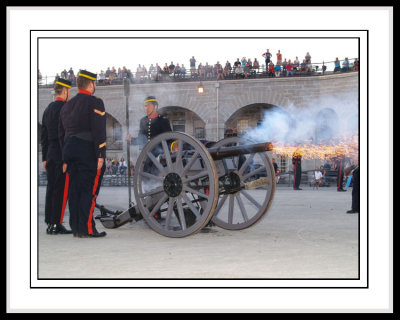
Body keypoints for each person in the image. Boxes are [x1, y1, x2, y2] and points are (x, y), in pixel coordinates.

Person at [59, 70, 107, 238]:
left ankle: (77, 228)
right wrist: (100, 154)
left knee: (74, 191)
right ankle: (87, 228)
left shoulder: (67, 105)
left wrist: (64, 157)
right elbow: (98, 130)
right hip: (88, 150)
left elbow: (63, 133)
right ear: (91, 84)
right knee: (89, 191)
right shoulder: (95, 102)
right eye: (95, 83)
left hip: (70, 150)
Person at [41, 79, 73, 235]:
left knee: (51, 189)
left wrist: (44, 158)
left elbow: (44, 135)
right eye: (70, 91)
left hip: (50, 153)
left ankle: (49, 222)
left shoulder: (48, 109)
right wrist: (66, 158)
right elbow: (65, 135)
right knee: (61, 190)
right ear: (65, 91)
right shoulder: (65, 109)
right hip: (61, 153)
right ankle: (57, 223)